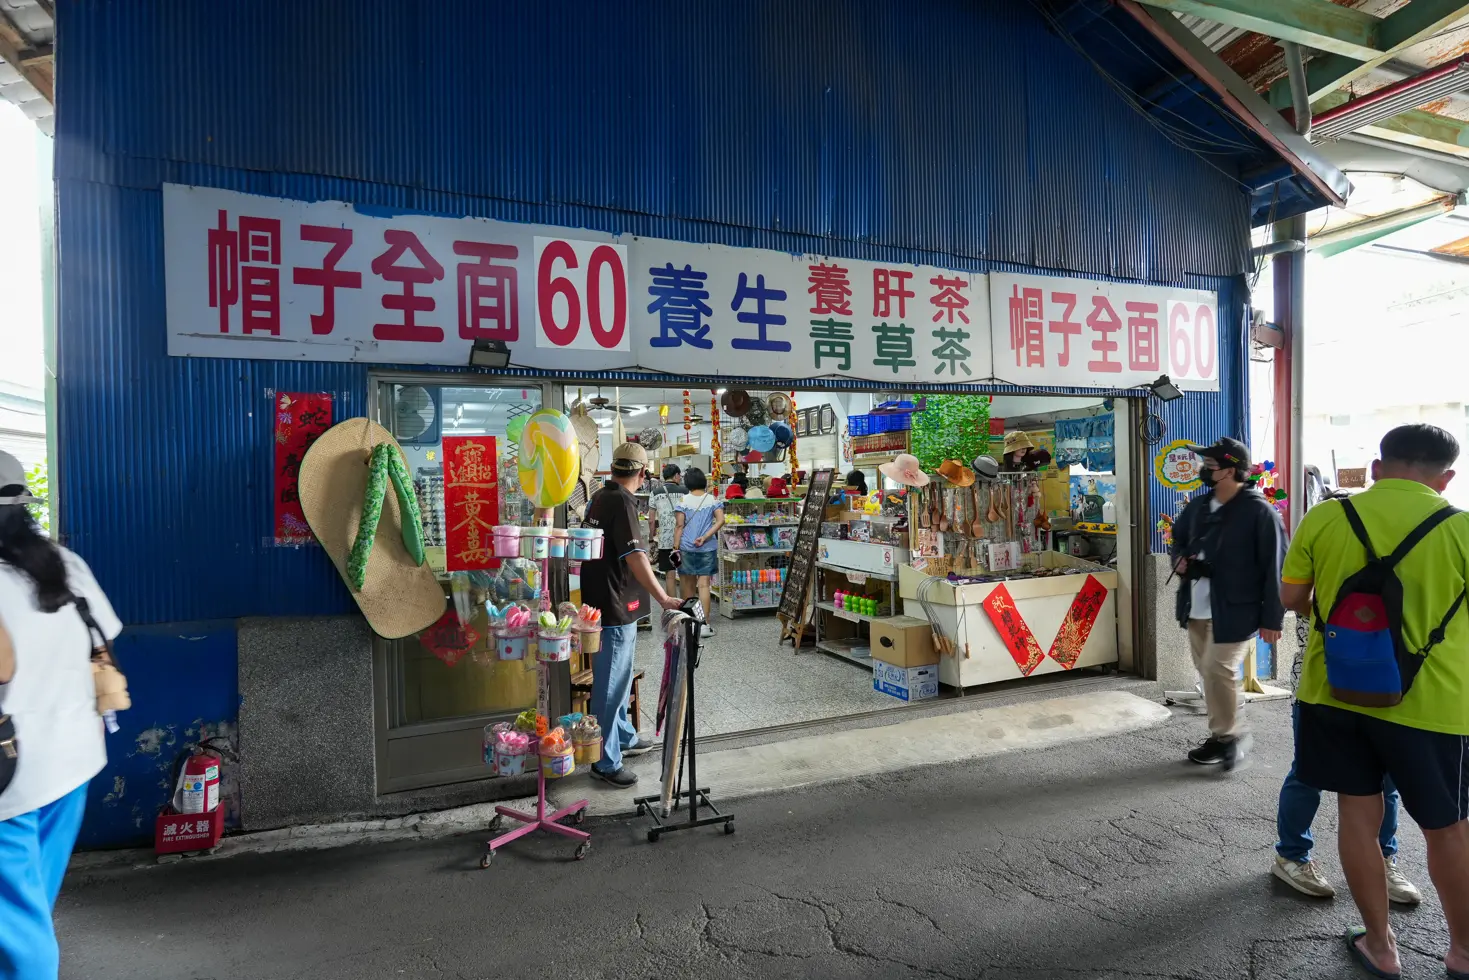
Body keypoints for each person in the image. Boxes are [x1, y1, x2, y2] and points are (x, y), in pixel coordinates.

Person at [1281, 424, 1469, 979]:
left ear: (1378, 468)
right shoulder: (1461, 529)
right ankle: (1462, 952)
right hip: (1434, 704)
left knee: (1357, 816)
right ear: (1446, 477)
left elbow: (1293, 597)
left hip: (1335, 693)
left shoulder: (1325, 517)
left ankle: (1381, 948)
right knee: (1448, 827)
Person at [0, 450, 122, 977]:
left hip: (11, 778)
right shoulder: (63, 564)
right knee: (30, 908)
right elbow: (106, 638)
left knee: (19, 930)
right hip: (74, 763)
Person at [1170, 437, 1284, 769]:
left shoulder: (1259, 511)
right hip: (1196, 605)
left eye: (1210, 466)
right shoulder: (1200, 506)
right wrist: (1178, 560)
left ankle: (1232, 735)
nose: (1203, 471)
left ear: (1231, 470)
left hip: (1237, 608)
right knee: (1210, 674)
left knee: (1216, 668)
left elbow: (1275, 567)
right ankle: (1222, 738)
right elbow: (1178, 540)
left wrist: (1272, 619)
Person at [579, 442, 682, 788]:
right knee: (610, 684)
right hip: (613, 606)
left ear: (612, 470)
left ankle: (622, 734)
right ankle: (605, 760)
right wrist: (665, 597)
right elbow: (636, 557)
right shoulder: (622, 501)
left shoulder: (600, 496)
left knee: (618, 678)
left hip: (604, 599)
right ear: (642, 473)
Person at [674, 468, 725, 638]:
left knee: (688, 585)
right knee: (704, 586)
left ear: (687, 483)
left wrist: (675, 547)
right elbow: (721, 520)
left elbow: (679, 526)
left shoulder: (683, 501)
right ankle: (704, 624)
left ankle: (690, 623)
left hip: (686, 547)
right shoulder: (712, 500)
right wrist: (705, 536)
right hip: (707, 547)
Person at [648, 464, 685, 597]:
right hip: (683, 539)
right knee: (685, 576)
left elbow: (651, 520)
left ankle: (672, 608)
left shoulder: (655, 493)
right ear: (676, 476)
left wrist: (651, 538)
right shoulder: (685, 491)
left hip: (665, 540)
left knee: (670, 576)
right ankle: (685, 607)